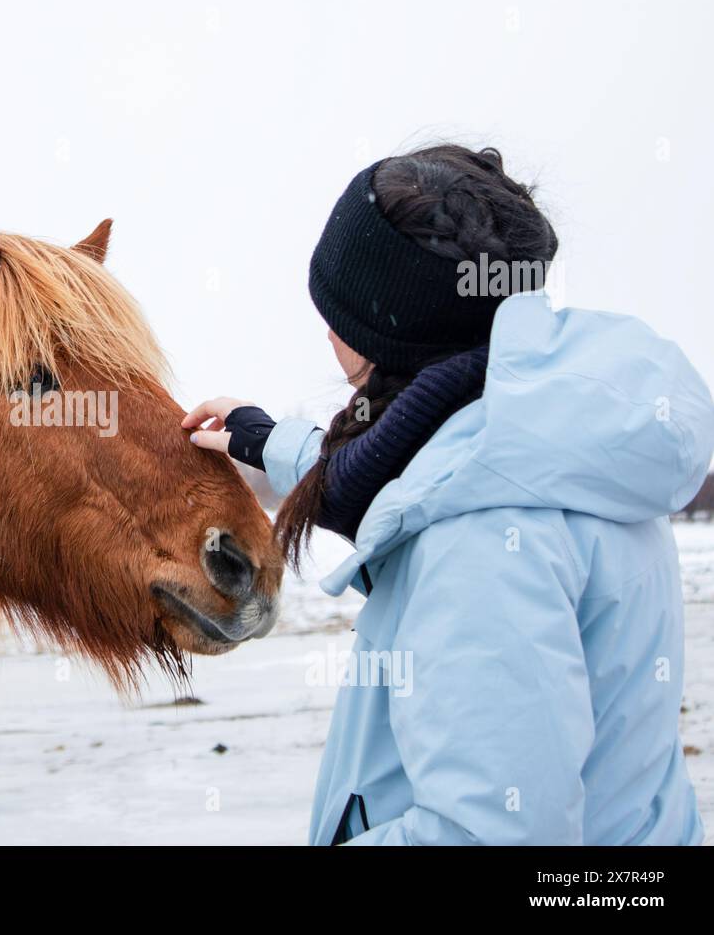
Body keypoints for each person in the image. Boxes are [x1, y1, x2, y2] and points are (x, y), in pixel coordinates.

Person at [183, 144, 713, 845]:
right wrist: (273, 443)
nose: (329, 333)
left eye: (337, 308)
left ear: (389, 330)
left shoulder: (482, 540)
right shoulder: (551, 439)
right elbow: (420, 473)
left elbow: (490, 834)